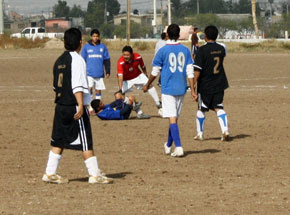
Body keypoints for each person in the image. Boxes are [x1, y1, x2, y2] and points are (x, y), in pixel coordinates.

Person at [42, 28, 113, 184]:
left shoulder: (59, 60)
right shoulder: (78, 60)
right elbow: (77, 86)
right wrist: (81, 104)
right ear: (80, 42)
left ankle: (49, 172)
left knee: (58, 140)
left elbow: (55, 87)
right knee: (86, 140)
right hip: (74, 106)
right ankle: (94, 175)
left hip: (60, 106)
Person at [143, 24, 195, 157]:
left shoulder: (162, 50)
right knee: (174, 118)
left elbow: (155, 71)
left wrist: (148, 84)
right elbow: (190, 72)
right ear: (178, 35)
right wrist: (193, 90)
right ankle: (168, 144)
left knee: (172, 118)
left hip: (168, 88)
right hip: (181, 87)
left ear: (167, 34)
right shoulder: (185, 50)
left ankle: (178, 147)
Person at [192, 25, 230, 141]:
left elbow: (197, 70)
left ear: (205, 36)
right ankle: (225, 130)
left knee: (201, 108)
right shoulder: (222, 48)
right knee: (218, 106)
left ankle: (200, 133)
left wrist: (193, 84)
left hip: (206, 85)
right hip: (219, 82)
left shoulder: (201, 50)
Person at [117, 45, 162, 119]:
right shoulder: (120, 62)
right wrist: (120, 89)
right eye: (124, 55)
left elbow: (143, 67)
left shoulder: (138, 57)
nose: (125, 57)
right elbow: (120, 77)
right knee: (119, 95)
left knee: (150, 85)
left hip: (138, 75)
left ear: (132, 54)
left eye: (127, 55)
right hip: (125, 79)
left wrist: (146, 76)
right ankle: (138, 109)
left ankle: (158, 104)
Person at [81, 29, 111, 114]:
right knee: (89, 89)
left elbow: (107, 59)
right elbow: (82, 60)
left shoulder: (102, 47)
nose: (95, 38)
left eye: (97, 36)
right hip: (89, 73)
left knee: (98, 90)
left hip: (99, 73)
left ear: (99, 37)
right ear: (91, 37)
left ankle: (97, 107)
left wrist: (107, 71)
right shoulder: (86, 47)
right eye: (94, 36)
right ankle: (89, 106)